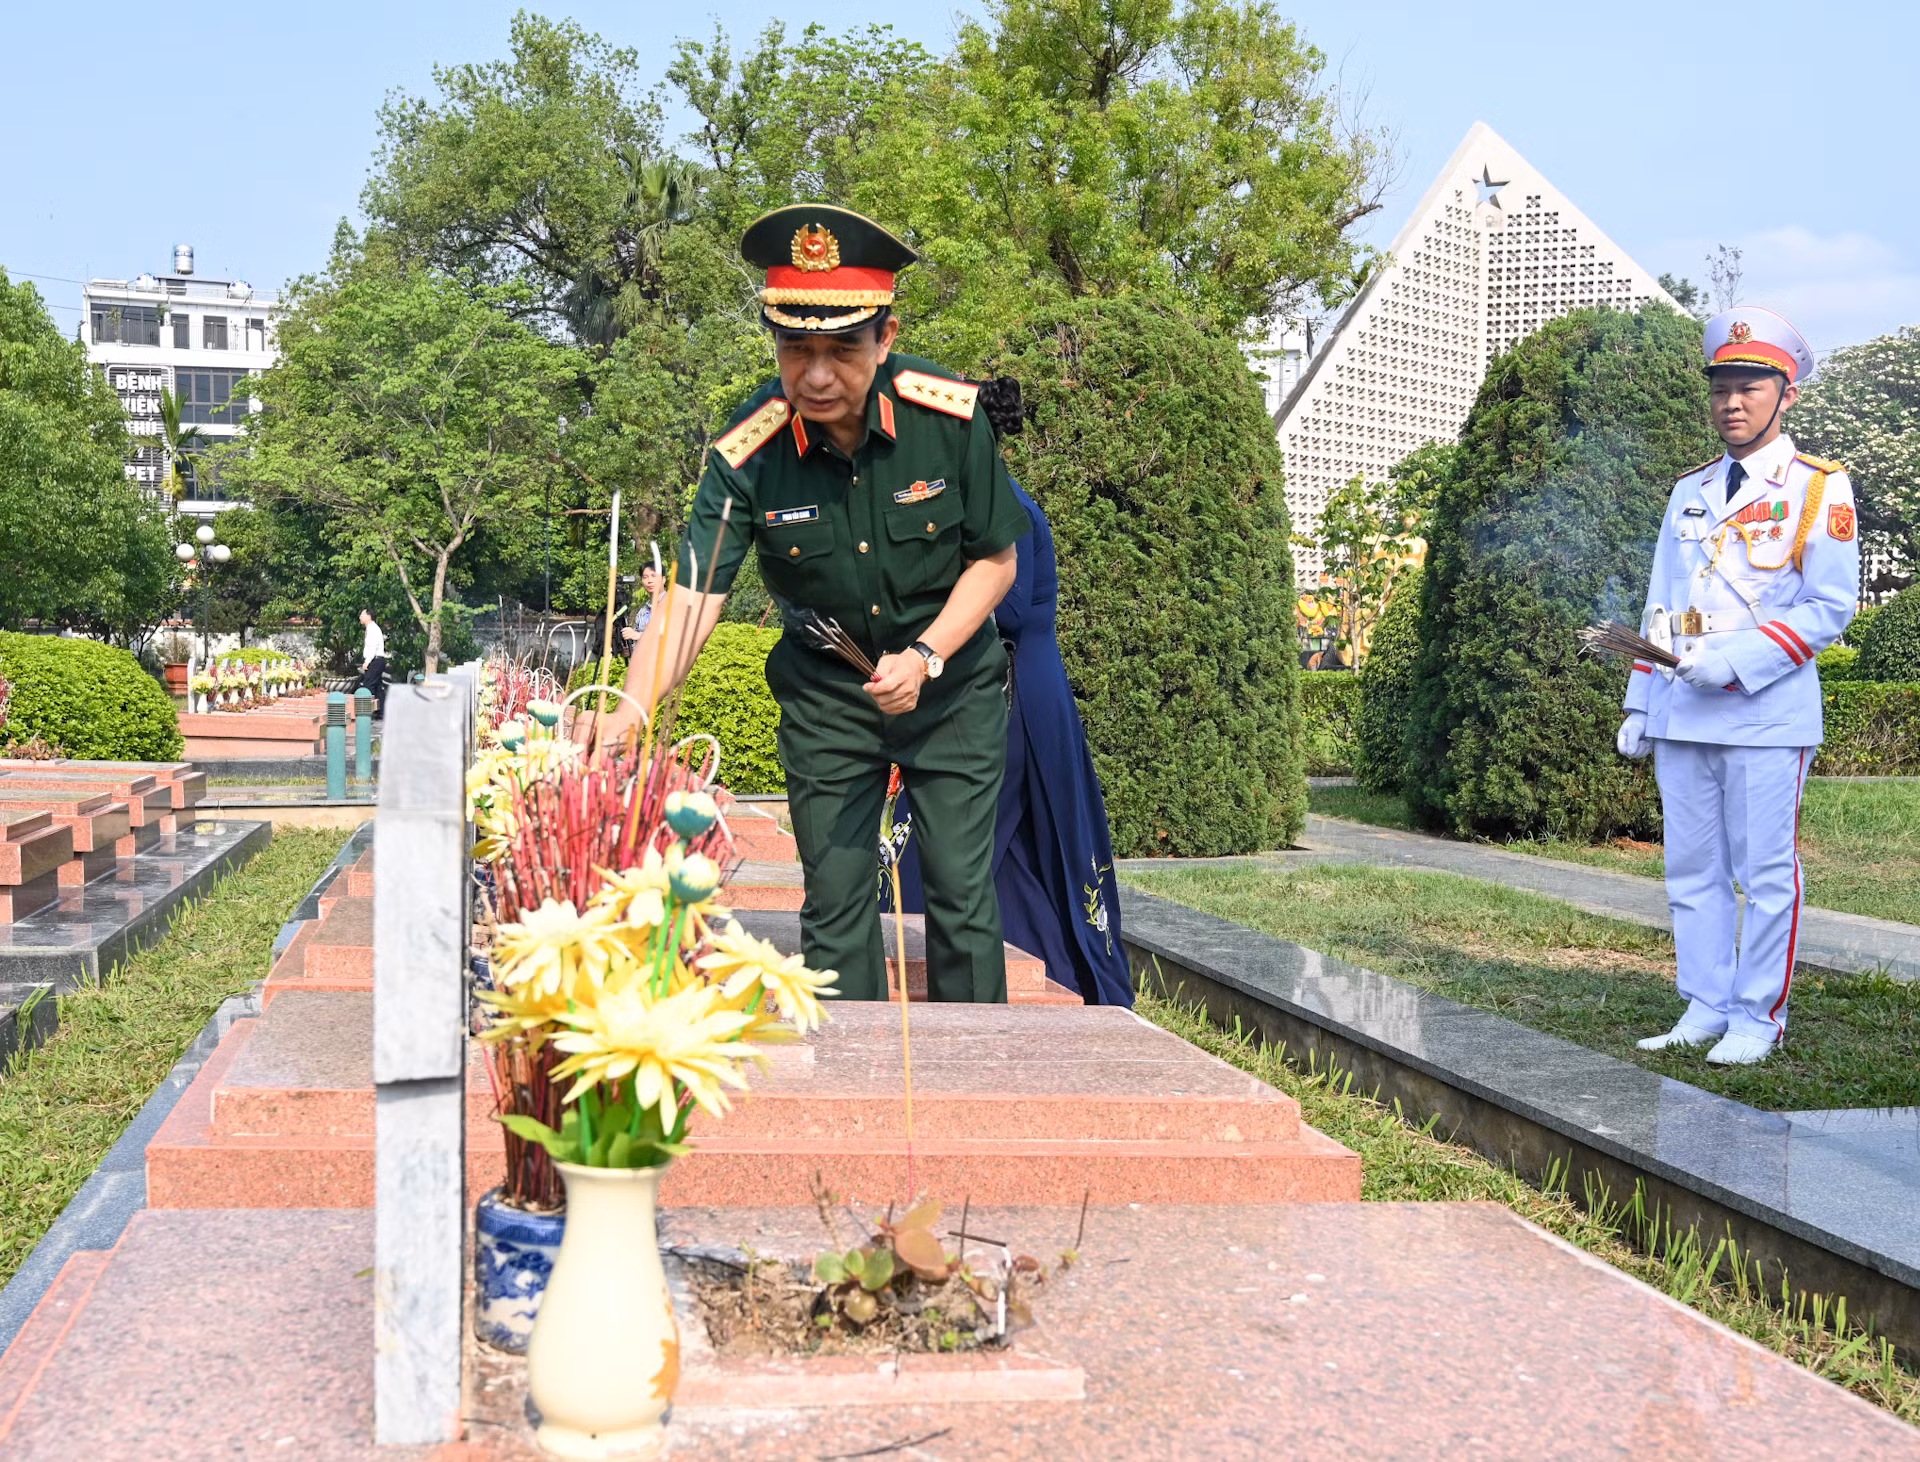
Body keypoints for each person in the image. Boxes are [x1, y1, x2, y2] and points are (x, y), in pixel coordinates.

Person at [588, 204, 1029, 1003]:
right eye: (796, 349)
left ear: (885, 338)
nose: (817, 375)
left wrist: (926, 655)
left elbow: (996, 561)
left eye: (841, 350)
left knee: (963, 902)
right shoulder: (748, 452)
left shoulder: (950, 420)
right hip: (829, 700)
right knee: (834, 905)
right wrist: (627, 716)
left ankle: (976, 1088)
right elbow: (692, 597)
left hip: (952, 693)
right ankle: (850, 1092)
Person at [1617, 307, 1858, 1066]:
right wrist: (1639, 700)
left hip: (1765, 714)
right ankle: (1705, 1001)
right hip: (1684, 711)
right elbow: (1660, 601)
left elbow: (1829, 606)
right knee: (1691, 868)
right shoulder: (1688, 489)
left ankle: (1758, 1016)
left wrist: (1741, 659)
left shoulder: (1820, 487)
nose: (1733, 401)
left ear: (1786, 395)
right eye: (1722, 385)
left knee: (1764, 873)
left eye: (1751, 386)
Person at [894, 379, 1134, 1006]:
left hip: (1015, 694)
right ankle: (1039, 970)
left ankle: (1025, 970)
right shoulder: (979, 503)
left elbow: (1017, 612)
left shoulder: (1012, 511)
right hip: (995, 687)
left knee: (963, 826)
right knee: (1007, 847)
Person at [357, 609, 388, 718]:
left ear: (369, 616)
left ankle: (365, 714)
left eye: (362, 615)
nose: (360, 617)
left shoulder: (372, 629)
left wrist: (367, 662)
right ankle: (383, 713)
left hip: (375, 660)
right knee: (378, 687)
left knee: (368, 686)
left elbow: (372, 647)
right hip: (377, 660)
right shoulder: (372, 628)